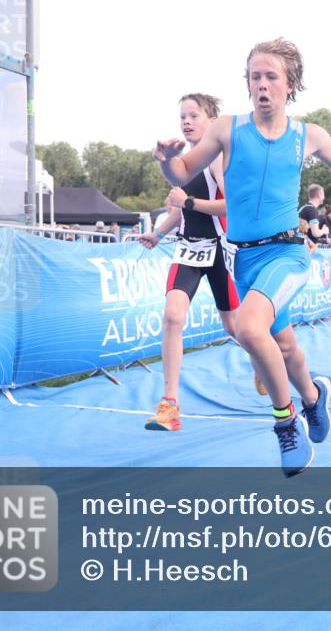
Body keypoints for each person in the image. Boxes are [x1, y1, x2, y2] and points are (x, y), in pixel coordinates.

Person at [154, 38, 331, 477]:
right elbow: (181, 173)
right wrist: (166, 161)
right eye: (255, 76)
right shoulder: (225, 129)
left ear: (289, 84)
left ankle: (286, 423)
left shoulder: (307, 135)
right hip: (245, 258)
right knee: (285, 345)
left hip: (288, 254)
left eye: (271, 76)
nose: (262, 84)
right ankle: (314, 396)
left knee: (250, 329)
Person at [139, 93, 242, 431]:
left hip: (220, 249)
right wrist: (158, 235)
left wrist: (190, 202)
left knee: (236, 328)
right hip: (188, 249)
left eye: (194, 115)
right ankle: (170, 404)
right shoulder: (185, 161)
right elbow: (177, 207)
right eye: (182, 115)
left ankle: (266, 367)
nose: (186, 121)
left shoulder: (217, 160)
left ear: (211, 121)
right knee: (172, 316)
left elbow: (231, 207)